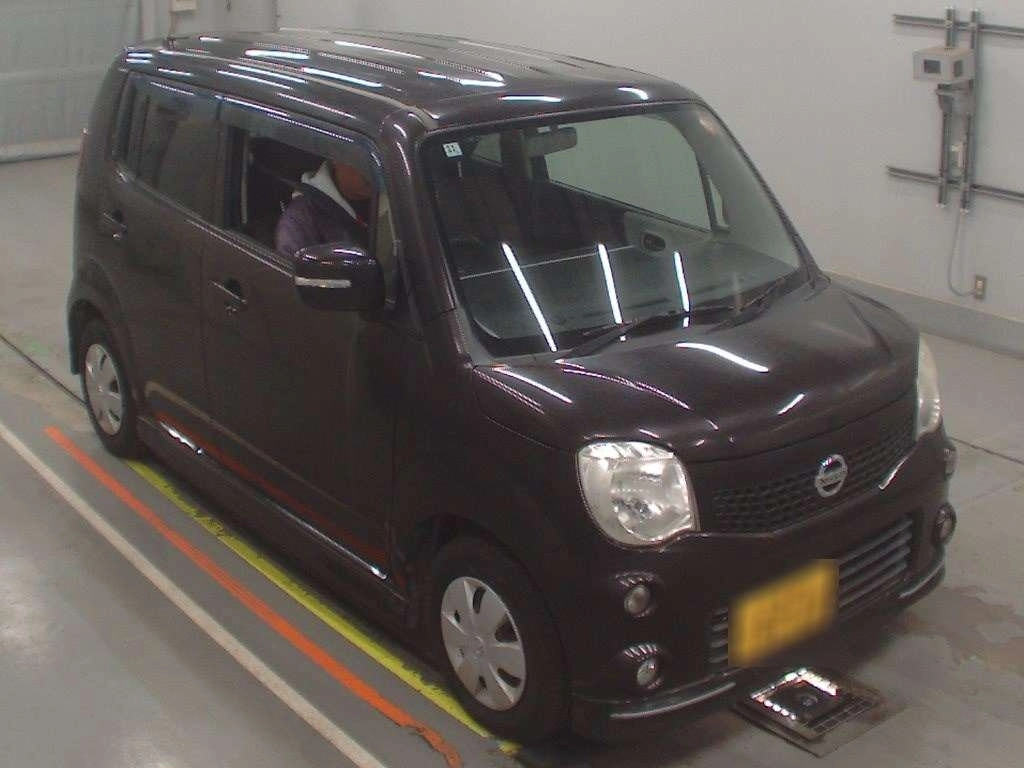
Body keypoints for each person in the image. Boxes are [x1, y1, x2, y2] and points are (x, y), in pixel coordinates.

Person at [275, 159, 372, 257]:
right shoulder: (300, 220)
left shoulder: (378, 198)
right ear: (336, 157)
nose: (370, 172)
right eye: (362, 161)